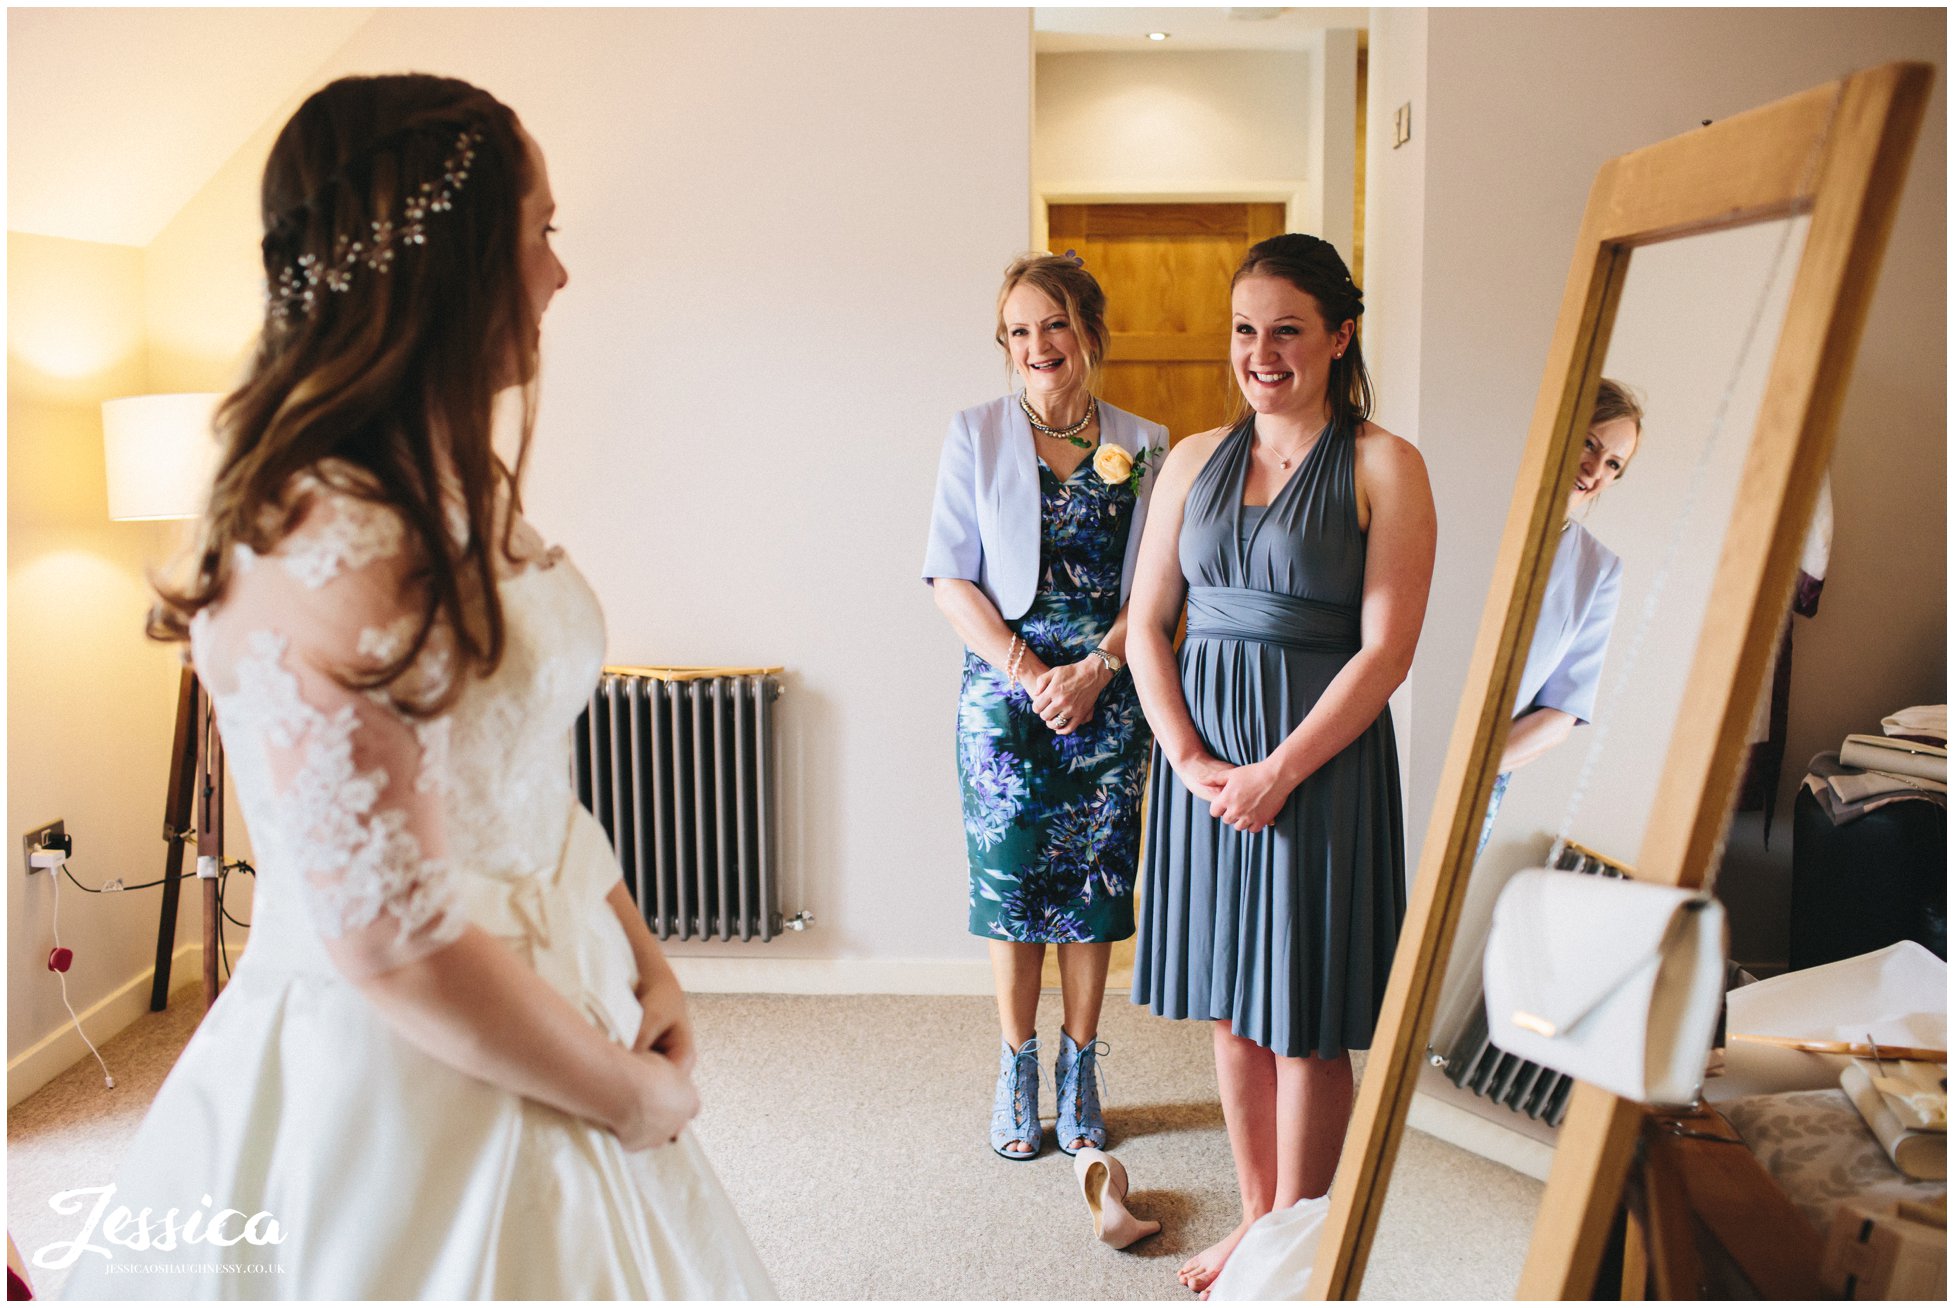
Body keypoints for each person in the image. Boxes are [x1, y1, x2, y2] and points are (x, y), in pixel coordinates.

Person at [56, 75, 773, 1299]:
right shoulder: (321, 537)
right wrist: (630, 1096)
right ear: (446, 260)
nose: (558, 273)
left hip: (561, 993)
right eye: (541, 231)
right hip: (405, 1071)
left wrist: (640, 951)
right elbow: (391, 944)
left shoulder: (451, 480)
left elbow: (519, 766)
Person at [1126, 234, 1435, 1293]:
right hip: (1203, 772)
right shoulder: (1188, 460)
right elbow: (1145, 625)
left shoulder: (1385, 464)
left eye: (1287, 329)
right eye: (1245, 329)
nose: (1261, 352)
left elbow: (1387, 650)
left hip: (1318, 768)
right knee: (1229, 1001)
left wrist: (1279, 771)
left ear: (1340, 336)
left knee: (1300, 1014)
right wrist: (1190, 759)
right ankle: (1257, 1225)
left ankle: (1306, 1254)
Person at [923, 252, 1167, 1161]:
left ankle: (1082, 1066)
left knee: (1096, 889)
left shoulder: (1146, 443)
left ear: (1089, 332)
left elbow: (1158, 589)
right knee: (1013, 886)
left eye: (1054, 325)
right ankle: (1017, 1067)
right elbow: (949, 578)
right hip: (1005, 693)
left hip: (1108, 692)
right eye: (1019, 331)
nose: (1038, 346)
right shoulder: (975, 433)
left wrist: (1097, 669)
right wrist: (1032, 672)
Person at [1476, 380, 1639, 853]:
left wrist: (1476, 767)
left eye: (1613, 464)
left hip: (1484, 775)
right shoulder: (1480, 509)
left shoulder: (1600, 571)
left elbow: (1562, 710)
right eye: (1590, 443)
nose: (1595, 469)